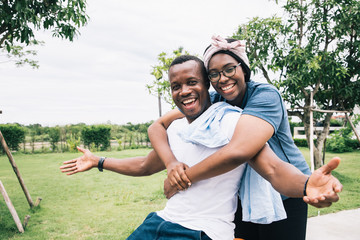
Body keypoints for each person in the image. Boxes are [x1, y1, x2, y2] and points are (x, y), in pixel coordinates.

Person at [61, 55, 342, 239]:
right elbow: (147, 162)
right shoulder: (181, 126)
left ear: (207, 86)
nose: (183, 91)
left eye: (192, 82)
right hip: (160, 221)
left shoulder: (235, 122)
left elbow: (271, 168)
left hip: (204, 231)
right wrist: (98, 161)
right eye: (175, 86)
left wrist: (307, 185)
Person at [147, 36, 341, 240]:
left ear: (244, 69)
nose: (222, 79)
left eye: (229, 69)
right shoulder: (214, 100)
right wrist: (171, 164)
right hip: (243, 193)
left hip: (285, 189)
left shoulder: (265, 96)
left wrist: (180, 181)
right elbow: (157, 126)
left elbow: (238, 152)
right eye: (214, 74)